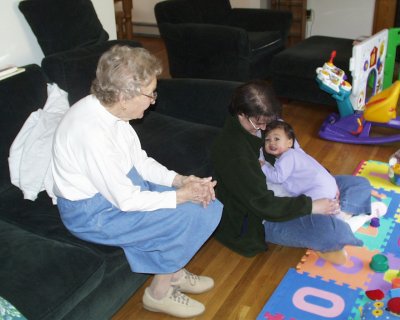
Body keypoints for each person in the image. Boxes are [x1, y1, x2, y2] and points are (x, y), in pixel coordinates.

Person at [51, 45, 223, 318]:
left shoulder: (113, 113)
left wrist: (180, 180)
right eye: (150, 93)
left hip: (118, 189)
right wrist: (181, 196)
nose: (153, 100)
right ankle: (159, 293)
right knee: (190, 214)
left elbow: (139, 163)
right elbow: (127, 200)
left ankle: (174, 272)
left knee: (207, 203)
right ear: (123, 95)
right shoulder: (91, 134)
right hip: (93, 213)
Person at [211, 80, 372, 265]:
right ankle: (333, 225)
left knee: (360, 185)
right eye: (258, 123)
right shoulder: (233, 152)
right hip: (267, 215)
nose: (264, 129)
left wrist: (325, 179)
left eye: (268, 121)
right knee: (331, 231)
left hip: (296, 188)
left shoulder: (271, 123)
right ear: (241, 113)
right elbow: (263, 204)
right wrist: (312, 206)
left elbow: (299, 157)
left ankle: (334, 220)